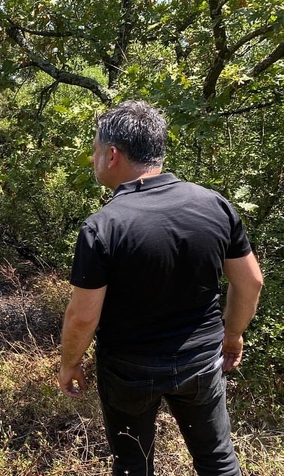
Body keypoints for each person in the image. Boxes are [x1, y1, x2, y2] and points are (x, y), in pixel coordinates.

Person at [57, 100, 264, 476]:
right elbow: (251, 281)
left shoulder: (103, 226)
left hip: (128, 371)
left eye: (95, 150)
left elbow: (83, 315)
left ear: (113, 154)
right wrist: (232, 334)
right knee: (218, 460)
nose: (93, 159)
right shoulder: (213, 205)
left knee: (133, 463)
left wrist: (70, 362)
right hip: (201, 361)